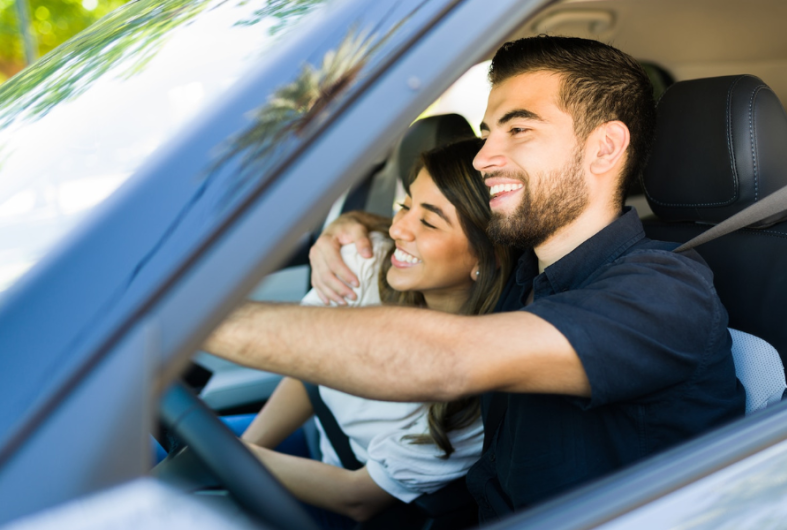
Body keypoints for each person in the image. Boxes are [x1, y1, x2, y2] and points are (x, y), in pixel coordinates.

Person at [205, 36, 745, 522]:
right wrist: (358, 227)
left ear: (604, 148)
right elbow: (436, 242)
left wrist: (189, 323)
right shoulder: (524, 270)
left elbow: (445, 360)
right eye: (489, 133)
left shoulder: (665, 291)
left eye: (518, 129)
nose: (485, 157)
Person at [234, 138, 514, 528]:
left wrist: (234, 460)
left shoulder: (479, 398)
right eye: (405, 205)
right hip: (307, 441)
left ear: (485, 260)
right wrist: (247, 446)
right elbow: (308, 367)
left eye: (428, 221)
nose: (398, 228)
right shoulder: (366, 265)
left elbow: (355, 498)